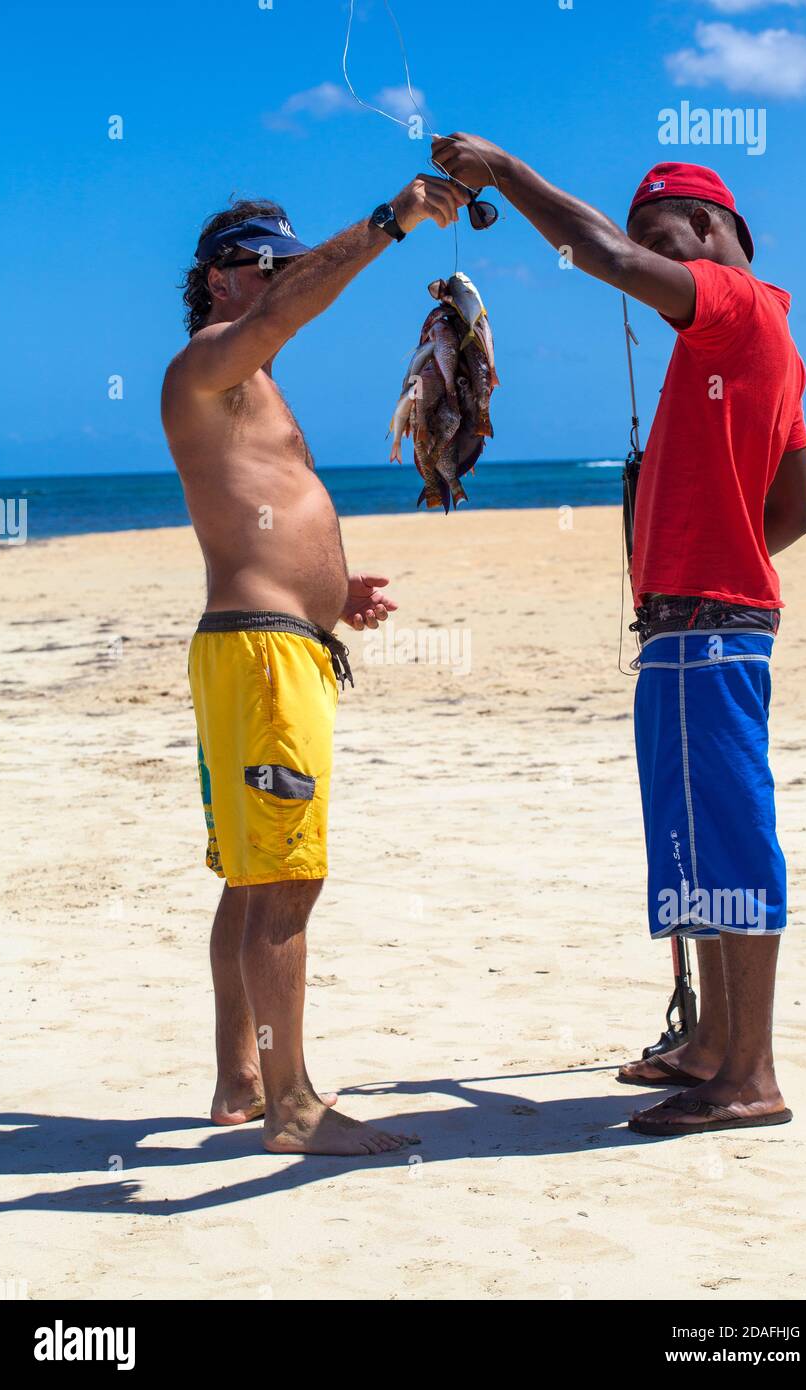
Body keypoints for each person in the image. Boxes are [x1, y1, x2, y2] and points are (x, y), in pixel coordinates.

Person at [432, 137, 806, 1136]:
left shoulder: (729, 304)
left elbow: (596, 254)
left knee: (729, 845)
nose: (645, 258)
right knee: (694, 839)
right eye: (643, 240)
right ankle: (709, 1046)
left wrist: (503, 171)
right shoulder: (759, 340)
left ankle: (748, 1074)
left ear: (715, 233)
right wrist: (704, 532)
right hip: (700, 624)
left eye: (661, 239)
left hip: (706, 629)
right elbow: (793, 511)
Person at [161, 174, 469, 1155]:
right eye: (268, 266)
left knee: (251, 880)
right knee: (285, 882)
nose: (284, 281)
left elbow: (263, 505)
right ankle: (293, 1104)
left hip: (267, 645)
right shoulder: (207, 360)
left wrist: (334, 591)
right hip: (260, 660)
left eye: (284, 266)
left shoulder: (246, 384)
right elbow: (295, 306)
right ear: (218, 279)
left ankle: (238, 1078)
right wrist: (392, 220)